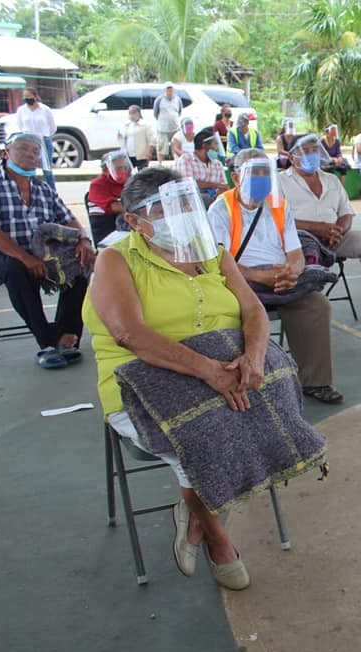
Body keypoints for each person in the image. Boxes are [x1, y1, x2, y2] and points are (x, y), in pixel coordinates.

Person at [83, 167, 275, 591]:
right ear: (134, 220)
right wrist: (210, 372)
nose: (183, 215)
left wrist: (253, 357)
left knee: (274, 415)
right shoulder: (116, 259)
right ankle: (216, 535)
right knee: (196, 437)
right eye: (167, 209)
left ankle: (192, 511)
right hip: (140, 379)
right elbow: (130, 335)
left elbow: (253, 311)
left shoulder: (210, 252)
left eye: (187, 204)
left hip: (223, 372)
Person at [208, 148, 343, 404]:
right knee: (237, 308)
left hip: (279, 278)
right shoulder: (220, 209)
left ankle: (315, 381)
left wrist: (293, 272)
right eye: (253, 173)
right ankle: (246, 379)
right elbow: (220, 265)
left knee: (315, 305)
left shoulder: (279, 205)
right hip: (238, 279)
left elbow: (296, 253)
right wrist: (261, 276)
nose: (261, 179)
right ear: (236, 178)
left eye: (264, 173)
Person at [0, 133, 94, 368]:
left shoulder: (43, 189)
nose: (31, 154)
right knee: (16, 269)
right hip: (2, 255)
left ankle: (67, 336)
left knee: (81, 262)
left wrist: (84, 242)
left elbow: (70, 220)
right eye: (23, 148)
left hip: (45, 254)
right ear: (5, 153)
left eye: (36, 151)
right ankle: (48, 342)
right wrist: (26, 258)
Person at [280, 134, 361, 326]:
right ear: (292, 158)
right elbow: (277, 220)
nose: (312, 155)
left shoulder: (331, 180)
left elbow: (346, 213)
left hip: (334, 238)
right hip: (299, 242)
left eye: (314, 150)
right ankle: (305, 305)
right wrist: (318, 229)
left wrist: (338, 231)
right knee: (307, 244)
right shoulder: (280, 182)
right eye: (306, 151)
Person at [15, 87, 56, 190]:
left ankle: (52, 192)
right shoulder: (21, 110)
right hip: (28, 142)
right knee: (29, 169)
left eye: (29, 97)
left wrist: (44, 136)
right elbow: (21, 126)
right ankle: (33, 192)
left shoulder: (45, 110)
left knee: (47, 171)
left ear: (35, 96)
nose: (27, 99)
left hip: (43, 141)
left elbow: (52, 127)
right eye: (25, 97)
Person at [175, 128, 229, 207]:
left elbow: (224, 186)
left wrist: (220, 190)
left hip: (216, 205)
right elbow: (188, 185)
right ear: (204, 146)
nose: (217, 148)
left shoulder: (217, 164)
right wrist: (216, 185)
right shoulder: (186, 160)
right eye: (215, 144)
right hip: (193, 205)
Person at [87, 150, 133, 242]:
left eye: (125, 168)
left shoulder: (130, 182)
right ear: (105, 170)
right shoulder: (97, 184)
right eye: (119, 169)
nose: (123, 171)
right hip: (108, 232)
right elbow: (115, 207)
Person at [152, 83, 183, 163]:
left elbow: (179, 111)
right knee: (161, 147)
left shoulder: (177, 99)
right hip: (163, 128)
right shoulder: (159, 100)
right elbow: (156, 113)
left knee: (175, 146)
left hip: (175, 128)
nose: (170, 91)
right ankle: (160, 164)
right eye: (168, 89)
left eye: (171, 89)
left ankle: (177, 162)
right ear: (165, 90)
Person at [118, 105, 156, 169]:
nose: (131, 115)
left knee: (142, 174)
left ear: (138, 113)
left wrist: (149, 152)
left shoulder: (145, 125)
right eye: (130, 113)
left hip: (142, 155)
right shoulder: (126, 125)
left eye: (133, 113)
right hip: (128, 155)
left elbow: (152, 140)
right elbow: (121, 137)